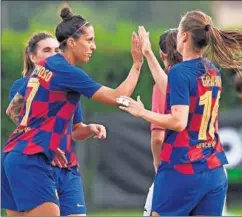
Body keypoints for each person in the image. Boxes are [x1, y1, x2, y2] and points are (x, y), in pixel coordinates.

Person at [2, 6, 143, 216]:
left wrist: (45, 140)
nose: (94, 46)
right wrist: (138, 62)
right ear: (71, 42)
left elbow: (13, 109)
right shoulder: (66, 71)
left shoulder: (44, 66)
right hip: (29, 159)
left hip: (24, 155)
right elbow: (117, 97)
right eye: (89, 40)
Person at [118, 10, 242, 216]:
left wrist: (142, 112)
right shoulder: (212, 69)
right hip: (213, 169)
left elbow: (178, 122)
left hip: (183, 167)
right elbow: (171, 90)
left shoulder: (180, 71)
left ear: (185, 36)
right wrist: (149, 54)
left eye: (178, 31)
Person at [2, 31, 106, 217]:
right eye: (47, 50)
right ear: (32, 57)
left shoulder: (67, 82)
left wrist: (89, 129)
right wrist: (44, 141)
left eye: (57, 50)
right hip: (35, 161)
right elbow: (17, 115)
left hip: (65, 167)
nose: (53, 54)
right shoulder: (24, 85)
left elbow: (74, 129)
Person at [143, 29, 182, 216]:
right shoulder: (203, 77)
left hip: (176, 169)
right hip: (210, 168)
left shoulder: (163, 86)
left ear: (162, 54)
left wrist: (160, 167)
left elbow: (158, 137)